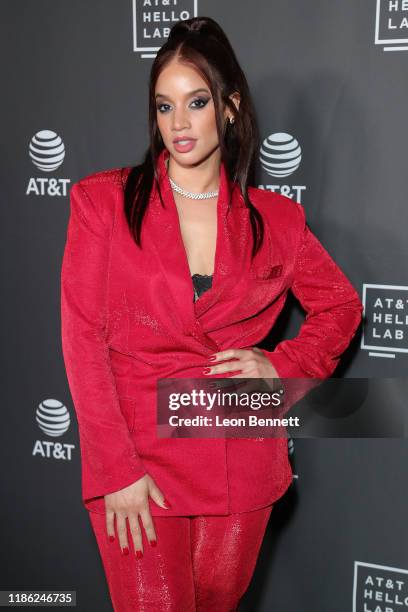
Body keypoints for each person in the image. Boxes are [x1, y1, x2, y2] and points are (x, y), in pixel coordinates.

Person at [60, 16, 364, 612]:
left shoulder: (276, 220)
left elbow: (340, 306)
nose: (178, 123)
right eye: (163, 105)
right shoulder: (103, 203)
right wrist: (116, 471)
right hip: (138, 462)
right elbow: (82, 342)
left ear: (228, 107)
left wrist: (281, 368)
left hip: (240, 460)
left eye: (195, 102)